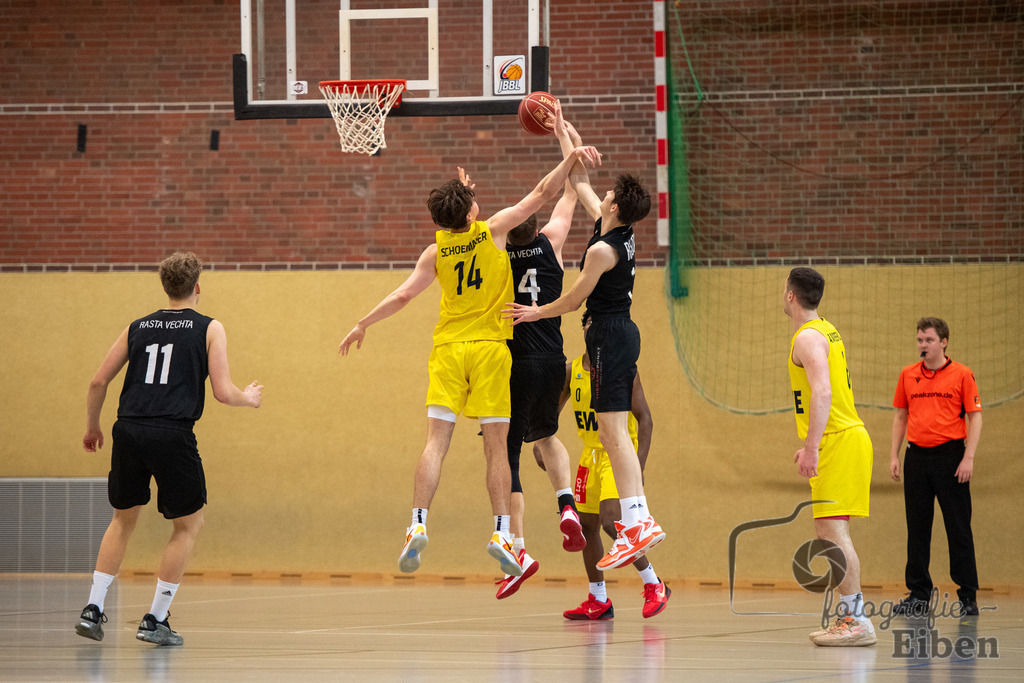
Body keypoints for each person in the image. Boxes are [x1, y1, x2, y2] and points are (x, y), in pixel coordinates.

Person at [339, 140, 602, 579]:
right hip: (490, 352)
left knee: (435, 444)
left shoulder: (435, 251)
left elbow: (404, 294)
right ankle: (502, 532)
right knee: (498, 448)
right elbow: (541, 194)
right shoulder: (493, 230)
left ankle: (417, 523)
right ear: (472, 213)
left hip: (447, 350)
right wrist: (570, 157)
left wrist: (364, 322)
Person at [504, 103, 664, 572]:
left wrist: (537, 312)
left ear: (614, 207)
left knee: (615, 433)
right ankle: (638, 522)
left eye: (610, 192)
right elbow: (580, 186)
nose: (605, 192)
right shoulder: (618, 228)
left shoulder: (600, 251)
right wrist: (564, 132)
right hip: (617, 335)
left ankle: (639, 521)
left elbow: (571, 302)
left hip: (609, 336)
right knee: (614, 433)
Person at [75, 252, 263, 647]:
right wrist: (249, 398)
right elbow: (223, 393)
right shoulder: (209, 328)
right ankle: (155, 619)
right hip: (171, 432)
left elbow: (97, 382)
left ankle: (92, 609)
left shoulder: (137, 327)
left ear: (165, 287)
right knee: (188, 525)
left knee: (122, 520)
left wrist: (92, 427)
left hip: (128, 429)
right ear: (197, 287)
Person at [495, 119, 588, 600]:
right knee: (549, 437)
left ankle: (518, 547)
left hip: (513, 364)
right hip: (555, 358)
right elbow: (571, 191)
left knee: (507, 452)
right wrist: (567, 139)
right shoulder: (552, 239)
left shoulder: (493, 254)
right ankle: (566, 505)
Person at [783, 267, 875, 647]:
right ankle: (852, 617)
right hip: (843, 438)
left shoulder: (806, 337)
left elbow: (823, 394)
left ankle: (856, 621)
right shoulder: (826, 329)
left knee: (833, 533)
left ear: (791, 295)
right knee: (832, 532)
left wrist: (812, 445)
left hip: (839, 441)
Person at [558, 311, 670, 620]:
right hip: (589, 456)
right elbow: (550, 414)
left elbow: (645, 418)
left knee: (612, 520)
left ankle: (654, 584)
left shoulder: (622, 369)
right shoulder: (571, 371)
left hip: (616, 456)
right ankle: (599, 599)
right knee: (585, 527)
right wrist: (544, 442)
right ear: (584, 330)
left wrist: (639, 465)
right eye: (592, 325)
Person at [889, 317, 982, 617]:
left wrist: (968, 457)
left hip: (951, 457)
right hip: (916, 458)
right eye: (919, 340)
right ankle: (918, 595)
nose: (923, 346)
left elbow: (975, 417)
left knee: (958, 528)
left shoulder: (962, 374)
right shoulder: (907, 375)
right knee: (917, 529)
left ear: (943, 342)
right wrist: (894, 455)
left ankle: (967, 596)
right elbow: (901, 416)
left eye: (928, 340)